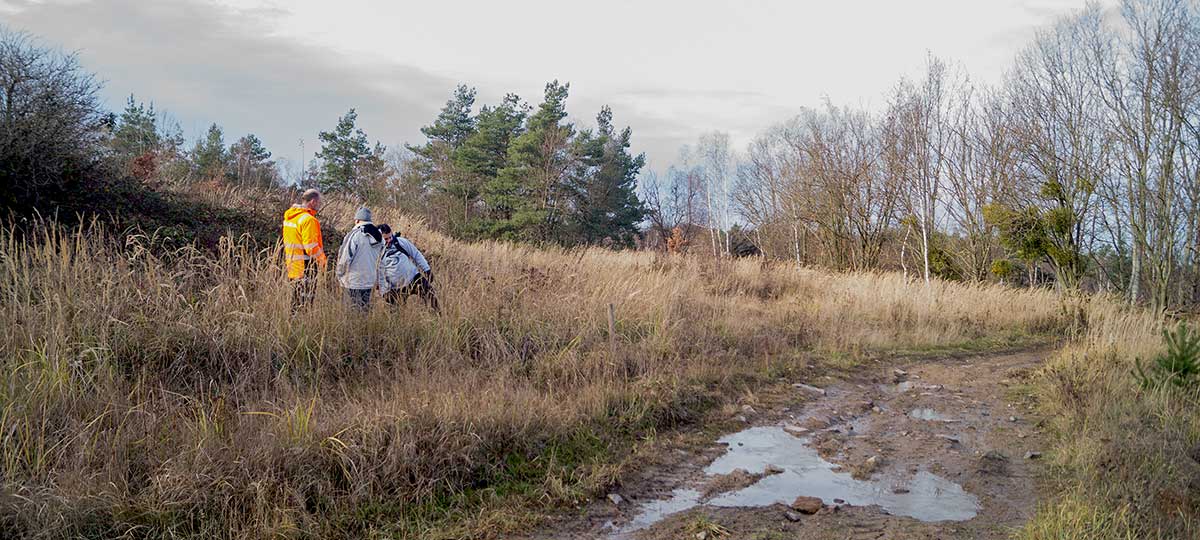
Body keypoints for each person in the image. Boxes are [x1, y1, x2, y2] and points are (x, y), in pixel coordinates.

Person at [282, 189, 327, 308]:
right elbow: (310, 247)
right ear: (313, 202)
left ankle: (293, 320)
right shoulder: (309, 220)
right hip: (306, 266)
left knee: (295, 301)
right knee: (305, 303)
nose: (319, 205)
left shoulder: (290, 217)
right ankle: (301, 320)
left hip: (293, 265)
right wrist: (322, 260)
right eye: (319, 202)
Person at [378, 223, 438, 311]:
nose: (389, 240)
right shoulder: (377, 252)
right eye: (386, 239)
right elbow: (379, 274)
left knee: (432, 298)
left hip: (414, 278)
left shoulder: (401, 242)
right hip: (395, 287)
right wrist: (384, 292)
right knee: (397, 313)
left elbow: (416, 254)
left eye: (390, 237)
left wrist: (427, 270)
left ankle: (439, 315)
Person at [336, 207, 385, 310]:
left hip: (352, 282)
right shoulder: (380, 237)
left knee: (350, 313)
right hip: (370, 281)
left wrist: (339, 274)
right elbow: (382, 260)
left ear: (357, 220)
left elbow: (345, 257)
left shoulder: (354, 235)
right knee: (364, 312)